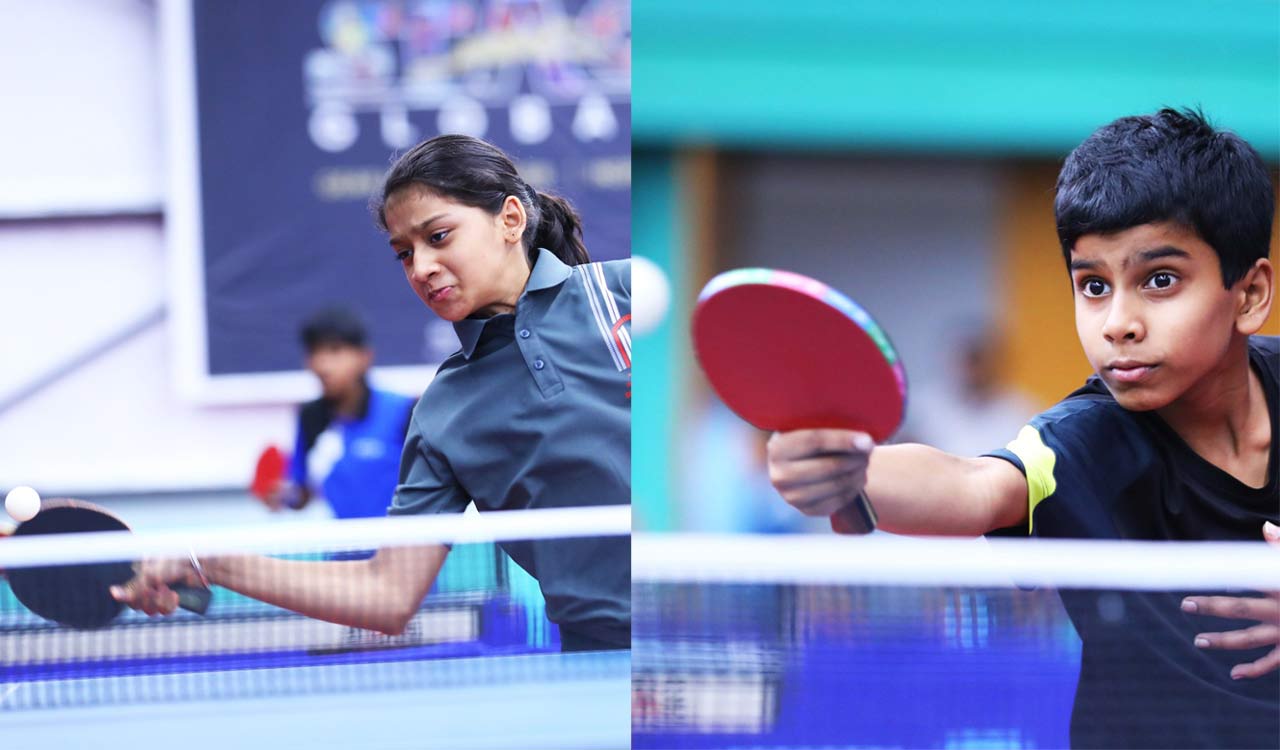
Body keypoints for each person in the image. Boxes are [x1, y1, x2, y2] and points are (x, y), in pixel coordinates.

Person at [766, 109, 1278, 748]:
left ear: (1250, 294)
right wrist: (846, 468)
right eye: (1093, 286)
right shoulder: (1085, 442)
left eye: (1160, 280)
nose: (1118, 322)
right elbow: (975, 484)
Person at [115, 134, 631, 652]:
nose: (421, 268)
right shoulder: (444, 410)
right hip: (601, 657)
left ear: (510, 220)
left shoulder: (619, 293)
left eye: (440, 236)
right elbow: (387, 593)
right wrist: (209, 559)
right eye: (404, 254)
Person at [264, 306, 415, 521]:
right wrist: (283, 496)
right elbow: (302, 493)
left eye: (335, 350)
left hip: (400, 549)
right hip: (342, 550)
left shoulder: (404, 412)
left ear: (365, 357)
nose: (322, 364)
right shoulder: (310, 417)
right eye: (314, 352)